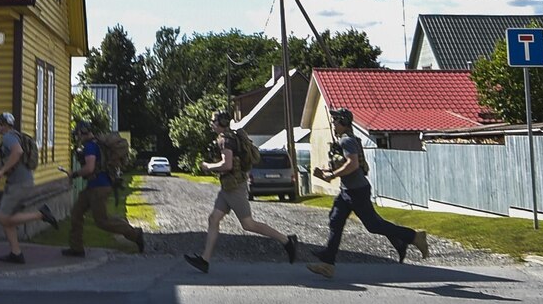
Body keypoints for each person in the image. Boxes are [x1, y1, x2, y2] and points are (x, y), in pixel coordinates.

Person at [306, 108, 429, 279]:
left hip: (357, 191)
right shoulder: (344, 140)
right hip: (347, 190)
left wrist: (331, 176)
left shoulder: (347, 141)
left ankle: (414, 236)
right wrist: (326, 170)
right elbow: (344, 163)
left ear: (343, 122)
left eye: (335, 121)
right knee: (335, 220)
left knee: (373, 225)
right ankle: (328, 263)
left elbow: (353, 164)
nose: (333, 124)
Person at [183, 111, 297, 274]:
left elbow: (227, 164)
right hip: (229, 187)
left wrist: (208, 166)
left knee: (248, 224)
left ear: (221, 122)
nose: (211, 124)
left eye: (213, 121)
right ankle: (204, 260)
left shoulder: (225, 140)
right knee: (214, 218)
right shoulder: (230, 137)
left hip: (235, 187)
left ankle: (287, 241)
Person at [64, 120, 147, 258]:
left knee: (102, 221)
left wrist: (74, 174)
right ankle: (76, 248)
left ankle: (135, 235)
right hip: (93, 186)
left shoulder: (90, 146)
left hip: (99, 187)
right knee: (76, 213)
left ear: (82, 132)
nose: (77, 137)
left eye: (77, 134)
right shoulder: (95, 144)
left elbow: (90, 168)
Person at [0, 111, 56, 263]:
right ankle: (16, 253)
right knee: (8, 219)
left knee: (4, 217)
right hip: (21, 183)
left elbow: (18, 152)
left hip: (18, 185)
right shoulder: (15, 135)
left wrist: (2, 170)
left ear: (5, 125)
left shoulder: (8, 137)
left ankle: (41, 214)